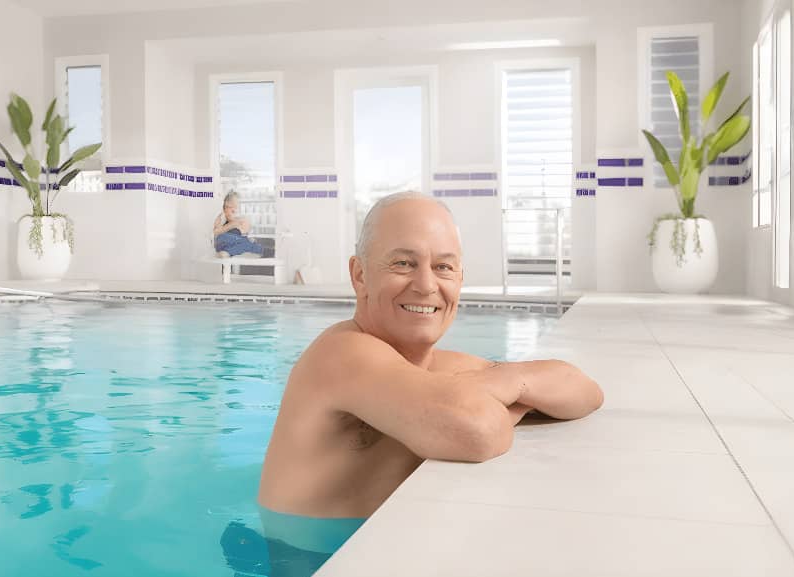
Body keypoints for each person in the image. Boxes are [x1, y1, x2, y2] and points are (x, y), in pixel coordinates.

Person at [256, 191, 603, 560]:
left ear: (460, 278)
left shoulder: (439, 369)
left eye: (443, 267)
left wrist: (509, 383)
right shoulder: (341, 354)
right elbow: (478, 431)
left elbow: (584, 390)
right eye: (403, 263)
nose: (426, 285)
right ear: (360, 275)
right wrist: (508, 397)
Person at [214, 191, 265, 258]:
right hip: (223, 240)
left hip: (232, 244)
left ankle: (228, 252)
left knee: (250, 244)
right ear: (224, 208)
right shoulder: (224, 220)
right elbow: (217, 232)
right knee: (252, 245)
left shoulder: (240, 220)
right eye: (229, 207)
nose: (233, 210)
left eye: (235, 207)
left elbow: (246, 230)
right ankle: (228, 252)